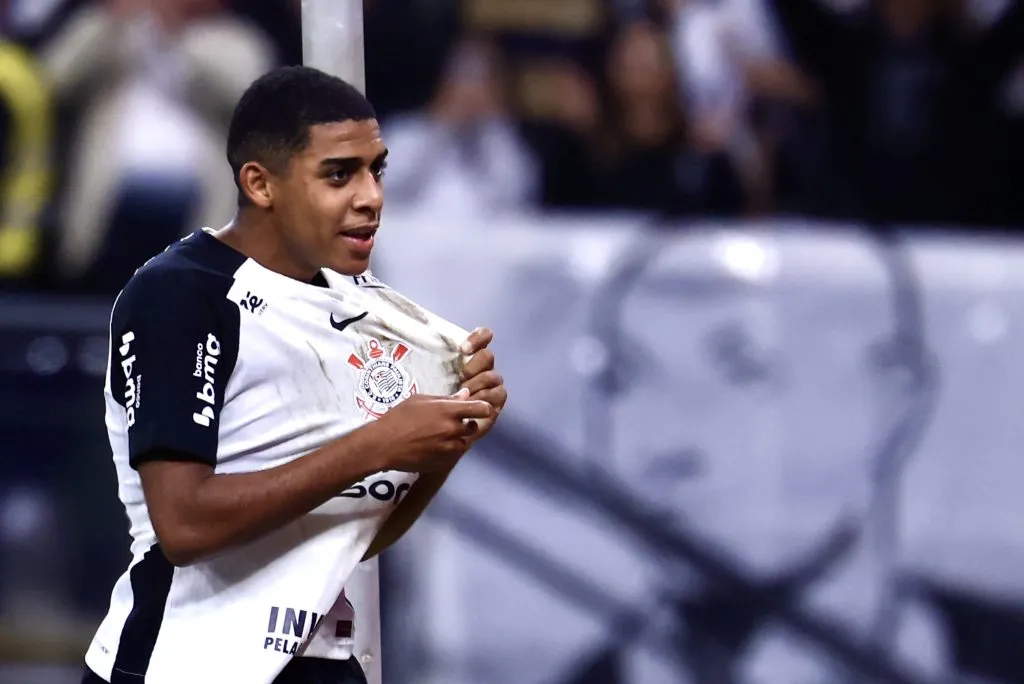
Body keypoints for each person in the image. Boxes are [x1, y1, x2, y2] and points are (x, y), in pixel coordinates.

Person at [80, 65, 507, 684]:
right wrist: (380, 444)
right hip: (183, 661)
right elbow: (184, 526)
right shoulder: (180, 295)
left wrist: (443, 443)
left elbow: (346, 535)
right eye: (339, 174)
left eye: (377, 170)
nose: (371, 196)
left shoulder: (360, 306)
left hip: (320, 663)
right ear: (260, 183)